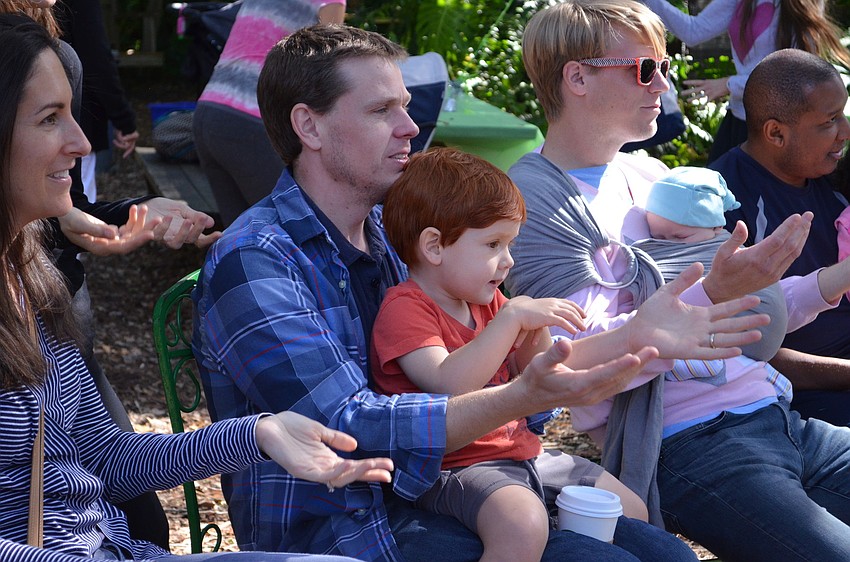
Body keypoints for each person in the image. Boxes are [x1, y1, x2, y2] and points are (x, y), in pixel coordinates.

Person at [192, 22, 769, 561]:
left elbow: (505, 365)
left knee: (664, 551)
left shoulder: (399, 236)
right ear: (309, 126)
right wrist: (522, 397)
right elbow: (346, 431)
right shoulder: (256, 258)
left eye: (404, 105)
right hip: (353, 524)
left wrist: (637, 336)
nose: (410, 126)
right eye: (380, 110)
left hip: (464, 478)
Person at [0, 19, 393, 562]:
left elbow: (105, 459)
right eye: (49, 118)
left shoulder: (30, 278)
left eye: (72, 112)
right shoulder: (257, 254)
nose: (82, 141)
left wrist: (257, 435)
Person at [504, 1, 850, 560]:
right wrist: (717, 291)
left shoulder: (653, 174)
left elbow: (742, 302)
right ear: (578, 78)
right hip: (691, 442)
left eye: (666, 65)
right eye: (645, 68)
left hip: (776, 415)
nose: (664, 83)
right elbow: (573, 356)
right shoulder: (534, 200)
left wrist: (827, 281)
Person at [371, 147, 650, 562]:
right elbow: (449, 383)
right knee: (523, 525)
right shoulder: (405, 308)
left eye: (510, 243)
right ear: (433, 246)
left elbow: (527, 373)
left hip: (520, 451)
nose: (508, 261)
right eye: (493, 244)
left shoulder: (485, 300)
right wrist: (511, 319)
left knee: (629, 505)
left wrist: (535, 333)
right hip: (454, 466)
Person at [711, 48, 850, 427]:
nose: (845, 132)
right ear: (776, 133)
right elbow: (743, 348)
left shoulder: (833, 178)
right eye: (830, 121)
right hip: (797, 397)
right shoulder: (722, 202)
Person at [193, 0, 346, 226]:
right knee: (299, 228)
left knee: (241, 236)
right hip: (250, 119)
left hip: (210, 110)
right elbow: (331, 62)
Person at [642, 0, 850, 163]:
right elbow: (693, 31)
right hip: (739, 117)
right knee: (718, 190)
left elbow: (793, 75)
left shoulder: (805, 5)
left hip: (781, 128)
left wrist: (729, 84)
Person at [640, 166, 788, 365]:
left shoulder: (724, 250)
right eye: (658, 237)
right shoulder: (688, 241)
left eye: (680, 237)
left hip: (742, 343)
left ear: (717, 227)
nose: (668, 244)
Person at [55, 0, 140, 203]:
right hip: (71, 116)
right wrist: (123, 119)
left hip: (23, 122)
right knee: (74, 205)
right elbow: (96, 57)